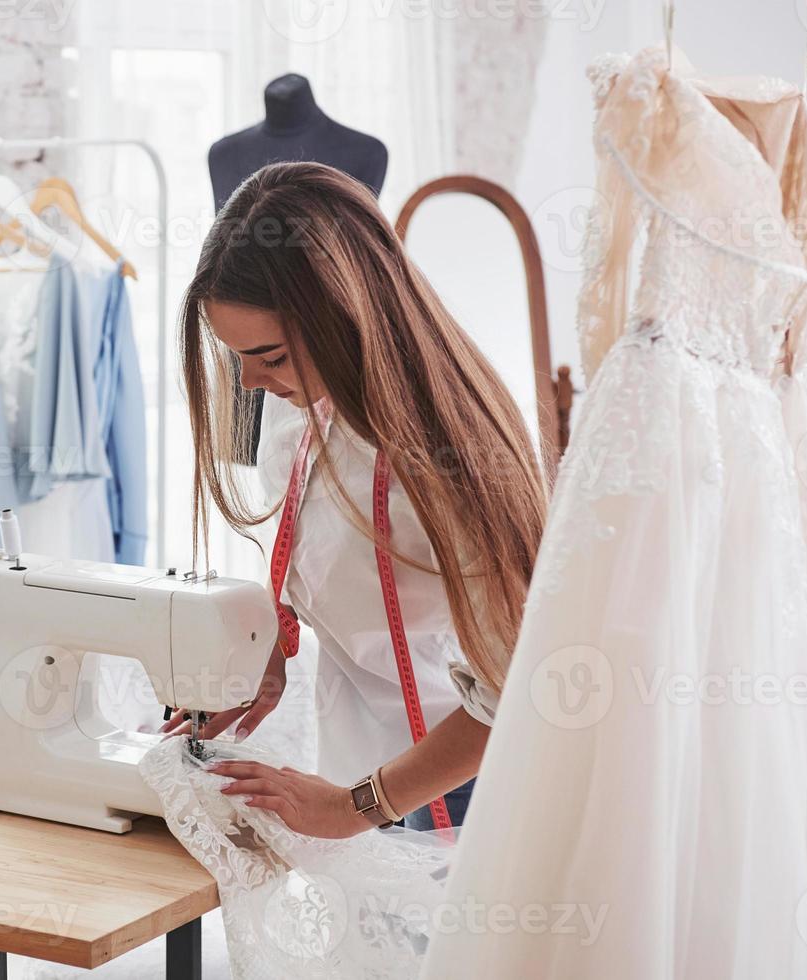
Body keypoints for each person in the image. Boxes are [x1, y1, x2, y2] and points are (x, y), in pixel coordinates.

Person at [164, 160, 547, 837]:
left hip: (453, 789)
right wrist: (271, 655)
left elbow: (514, 692)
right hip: (355, 764)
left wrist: (352, 809)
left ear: (343, 315)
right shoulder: (304, 406)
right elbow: (320, 546)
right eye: (237, 359)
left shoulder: (450, 465)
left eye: (270, 357)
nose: (250, 382)